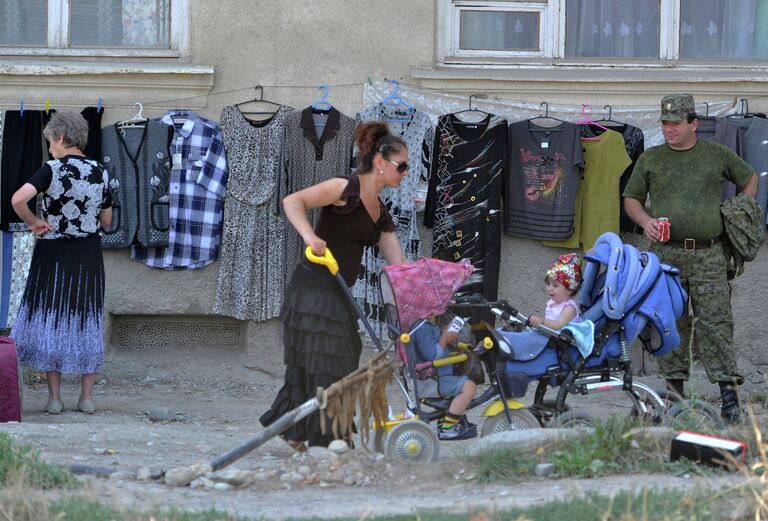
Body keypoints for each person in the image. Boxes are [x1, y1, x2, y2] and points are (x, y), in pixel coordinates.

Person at [259, 121, 408, 449]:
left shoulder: (380, 212)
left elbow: (399, 265)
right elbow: (292, 201)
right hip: (312, 288)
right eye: (403, 166)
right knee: (324, 364)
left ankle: (301, 432)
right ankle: (323, 440)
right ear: (381, 163)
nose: (406, 173)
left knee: (334, 360)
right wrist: (310, 236)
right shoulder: (345, 188)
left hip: (338, 293)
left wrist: (428, 281)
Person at [623, 93, 758, 424]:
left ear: (693, 123)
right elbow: (631, 198)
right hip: (667, 258)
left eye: (675, 123)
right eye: (665, 123)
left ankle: (730, 400)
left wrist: (736, 212)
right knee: (670, 326)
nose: (668, 129)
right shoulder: (652, 159)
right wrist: (646, 222)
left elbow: (750, 180)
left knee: (717, 325)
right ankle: (673, 396)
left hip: (709, 254)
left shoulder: (715, 154)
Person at [10, 111, 113, 415]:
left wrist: (33, 221)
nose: (50, 149)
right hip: (88, 255)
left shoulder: (51, 169)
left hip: (53, 253)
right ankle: (86, 398)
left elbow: (18, 199)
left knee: (54, 320)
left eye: (50, 143)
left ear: (60, 138)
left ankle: (55, 399)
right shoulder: (100, 171)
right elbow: (107, 221)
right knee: (87, 319)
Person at [410, 314, 478, 440]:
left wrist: (442, 333)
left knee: (464, 381)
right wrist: (444, 339)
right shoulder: (421, 327)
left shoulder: (427, 324)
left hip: (437, 376)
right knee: (469, 387)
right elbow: (432, 355)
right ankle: (449, 428)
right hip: (431, 380)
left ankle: (445, 420)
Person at [527, 252, 582, 331]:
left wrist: (542, 321)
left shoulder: (569, 308)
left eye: (555, 286)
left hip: (560, 342)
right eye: (548, 283)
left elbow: (559, 324)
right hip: (551, 338)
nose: (549, 288)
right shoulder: (552, 303)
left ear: (570, 290)